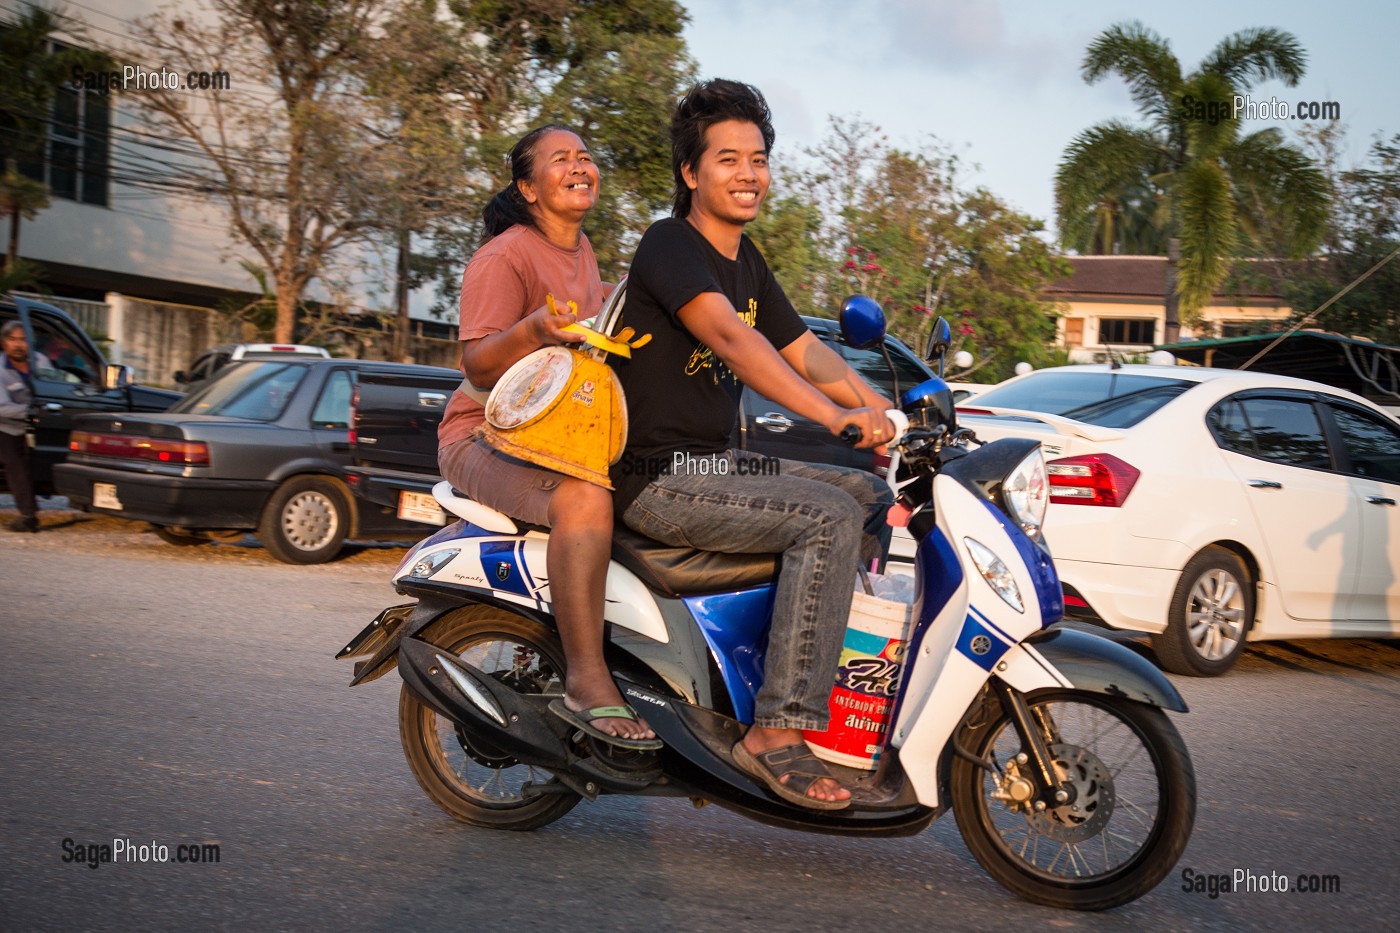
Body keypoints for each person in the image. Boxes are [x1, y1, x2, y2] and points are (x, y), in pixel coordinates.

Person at [609, 79, 896, 809]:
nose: (748, 174)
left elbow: (802, 350)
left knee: (863, 492)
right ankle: (777, 729)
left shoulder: (749, 260)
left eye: (759, 158)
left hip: (717, 465)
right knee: (826, 516)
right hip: (659, 476)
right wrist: (834, 422)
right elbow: (736, 342)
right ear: (691, 173)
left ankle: (826, 669)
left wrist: (877, 404)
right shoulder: (670, 243)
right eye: (729, 158)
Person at [436, 125, 659, 750]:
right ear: (528, 188)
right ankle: (588, 679)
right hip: (479, 436)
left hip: (552, 435)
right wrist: (535, 327)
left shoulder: (584, 252)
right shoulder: (505, 255)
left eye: (585, 155)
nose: (579, 164)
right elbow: (477, 365)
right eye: (560, 159)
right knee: (585, 498)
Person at [1, 320, 39, 533]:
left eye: (23, 339)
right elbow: (1, 408)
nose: (18, 344)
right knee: (13, 459)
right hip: (8, 427)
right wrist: (30, 411)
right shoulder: (0, 370)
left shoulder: (40, 362)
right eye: (12, 339)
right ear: (4, 343)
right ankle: (28, 515)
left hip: (42, 425)